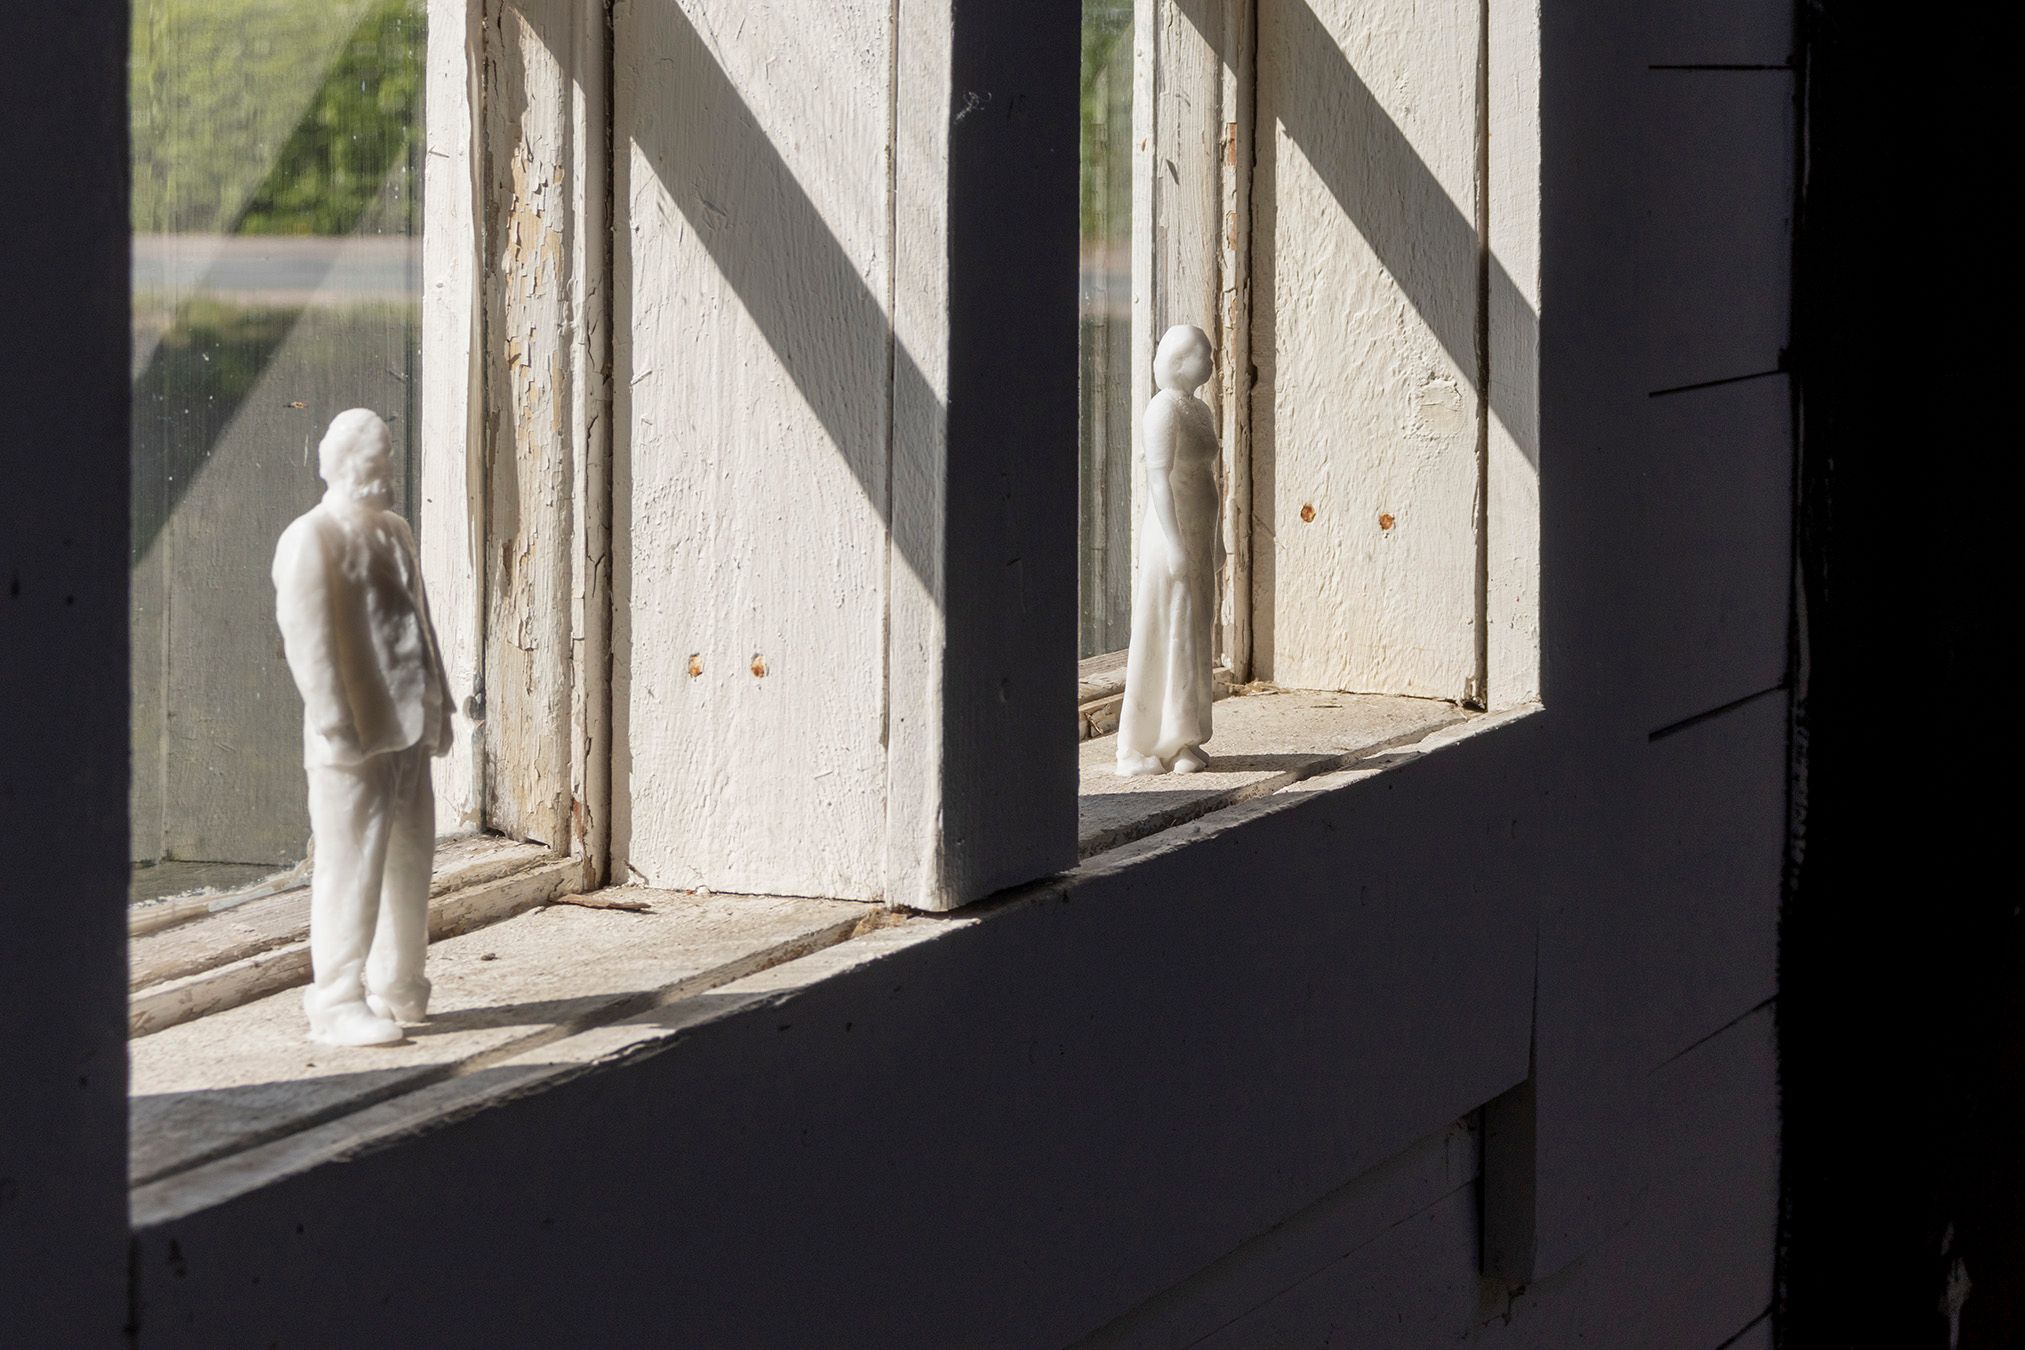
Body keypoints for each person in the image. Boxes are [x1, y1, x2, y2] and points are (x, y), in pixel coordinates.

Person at [273, 409, 453, 1046]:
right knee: (350, 867)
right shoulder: (311, 537)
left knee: (410, 858)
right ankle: (336, 997)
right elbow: (309, 643)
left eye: (385, 460)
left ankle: (401, 983)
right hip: (351, 741)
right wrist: (333, 724)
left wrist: (441, 709)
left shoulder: (396, 530)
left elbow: (418, 626)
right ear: (339, 465)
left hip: (411, 731)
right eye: (371, 463)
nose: (382, 473)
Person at [1117, 325, 1221, 776]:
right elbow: (1158, 480)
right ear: (1180, 361)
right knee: (1168, 629)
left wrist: (1215, 540)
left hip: (1198, 533)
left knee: (1195, 631)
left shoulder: (1198, 409)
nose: (1213, 361)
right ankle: (1139, 744)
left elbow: (1207, 481)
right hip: (1171, 534)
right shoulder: (1162, 409)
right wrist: (1176, 543)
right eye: (1205, 354)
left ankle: (1183, 737)